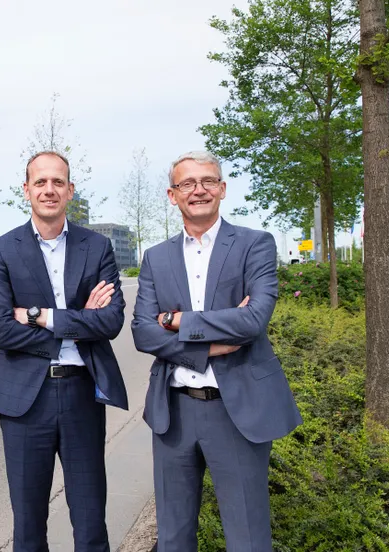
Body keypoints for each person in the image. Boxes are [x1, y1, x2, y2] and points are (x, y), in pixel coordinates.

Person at [130, 150, 302, 552]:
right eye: (187, 183)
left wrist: (176, 321)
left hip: (237, 410)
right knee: (173, 537)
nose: (199, 189)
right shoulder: (155, 257)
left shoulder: (255, 245)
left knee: (247, 538)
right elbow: (141, 333)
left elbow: (253, 320)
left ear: (222, 189)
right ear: (173, 196)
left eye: (207, 181)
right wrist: (209, 349)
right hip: (173, 412)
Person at [0, 151, 129, 552]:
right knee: (28, 522)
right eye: (41, 182)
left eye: (58, 182)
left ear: (70, 190)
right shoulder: (2, 250)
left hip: (83, 393)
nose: (49, 189)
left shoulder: (97, 247)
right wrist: (80, 321)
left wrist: (40, 316)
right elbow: (0, 329)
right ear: (26, 190)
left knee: (90, 518)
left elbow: (111, 322)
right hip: (24, 401)